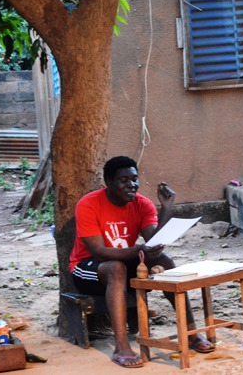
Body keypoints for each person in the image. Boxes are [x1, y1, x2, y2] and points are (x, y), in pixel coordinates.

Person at [69, 156, 215, 369]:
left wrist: (166, 208)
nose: (132, 185)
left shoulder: (142, 203)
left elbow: (153, 242)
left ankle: (191, 333)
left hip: (123, 262)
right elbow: (98, 252)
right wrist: (139, 250)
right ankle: (121, 347)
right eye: (124, 180)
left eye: (135, 179)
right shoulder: (89, 204)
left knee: (165, 261)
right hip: (87, 268)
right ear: (109, 182)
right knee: (115, 268)